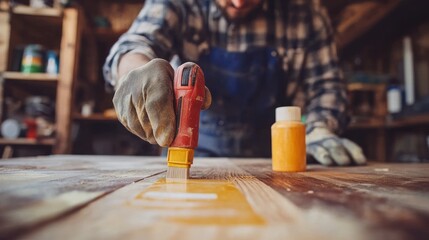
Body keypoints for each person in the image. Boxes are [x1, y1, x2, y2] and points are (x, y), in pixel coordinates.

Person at [104, 0, 366, 166]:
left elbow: (327, 88)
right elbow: (135, 44)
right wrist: (135, 71)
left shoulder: (305, 13)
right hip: (192, 155)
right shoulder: (179, 4)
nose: (239, 2)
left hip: (275, 160)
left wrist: (319, 130)